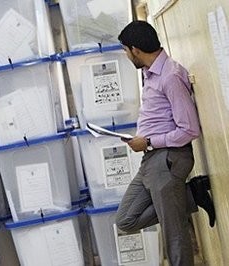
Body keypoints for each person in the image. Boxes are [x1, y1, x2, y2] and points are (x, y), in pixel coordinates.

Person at [115, 20, 215, 266]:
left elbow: (189, 129)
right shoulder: (151, 75)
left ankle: (185, 198)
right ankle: (192, 194)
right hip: (151, 158)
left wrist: (148, 140)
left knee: (175, 234)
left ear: (135, 49)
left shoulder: (170, 75)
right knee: (126, 220)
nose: (127, 56)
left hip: (168, 158)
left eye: (126, 51)